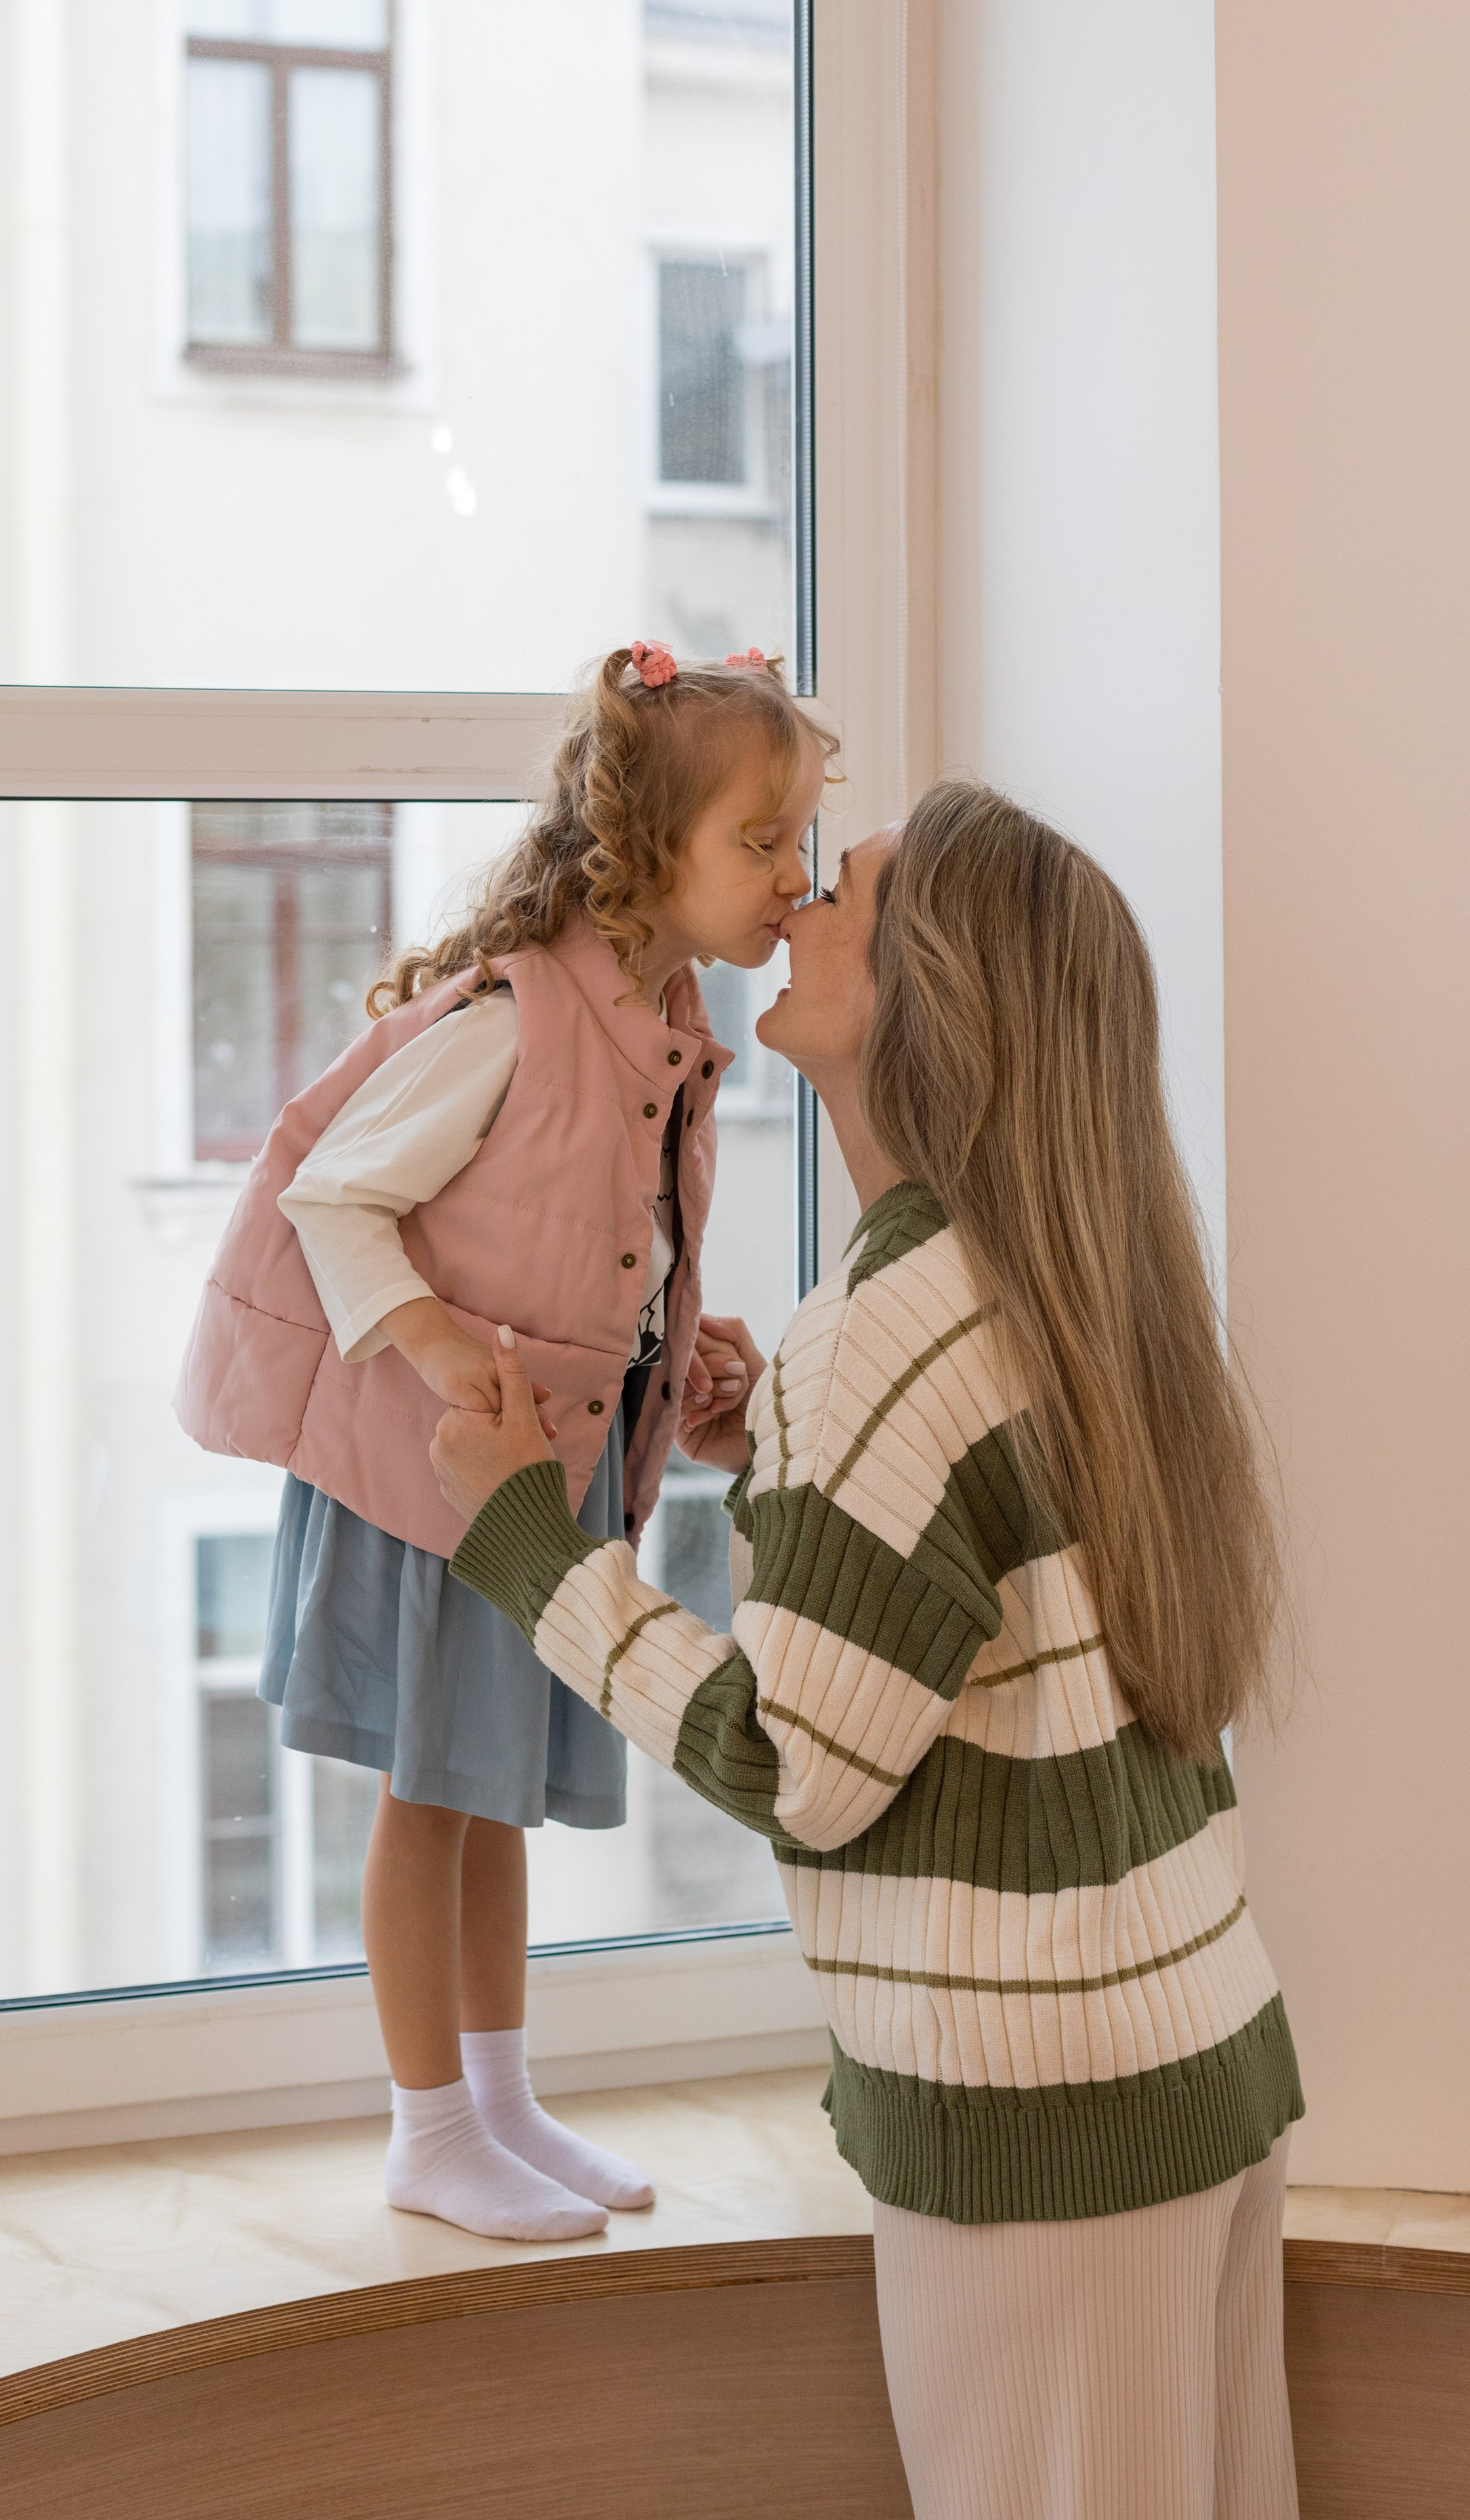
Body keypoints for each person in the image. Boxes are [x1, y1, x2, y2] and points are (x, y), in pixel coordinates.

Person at [433, 779, 1303, 2519]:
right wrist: (772, 1453)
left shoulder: (889, 1325)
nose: (798, 905)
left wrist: (523, 1542)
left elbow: (792, 1768)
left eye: (846, 890)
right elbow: (973, 1622)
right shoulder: (1059, 1276)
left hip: (1050, 2131)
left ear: (933, 1002)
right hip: (1191, 2061)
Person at [175, 642, 833, 2246]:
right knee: (433, 1800)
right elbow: (334, 1191)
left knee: (496, 1792)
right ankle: (424, 2126)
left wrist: (677, 1358)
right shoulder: (511, 1016)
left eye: (799, 837)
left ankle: (497, 2096)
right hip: (435, 1477)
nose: (793, 876)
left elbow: (592, 1232)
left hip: (542, 1477)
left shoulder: (659, 1018)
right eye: (760, 839)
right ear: (639, 851)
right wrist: (442, 1351)